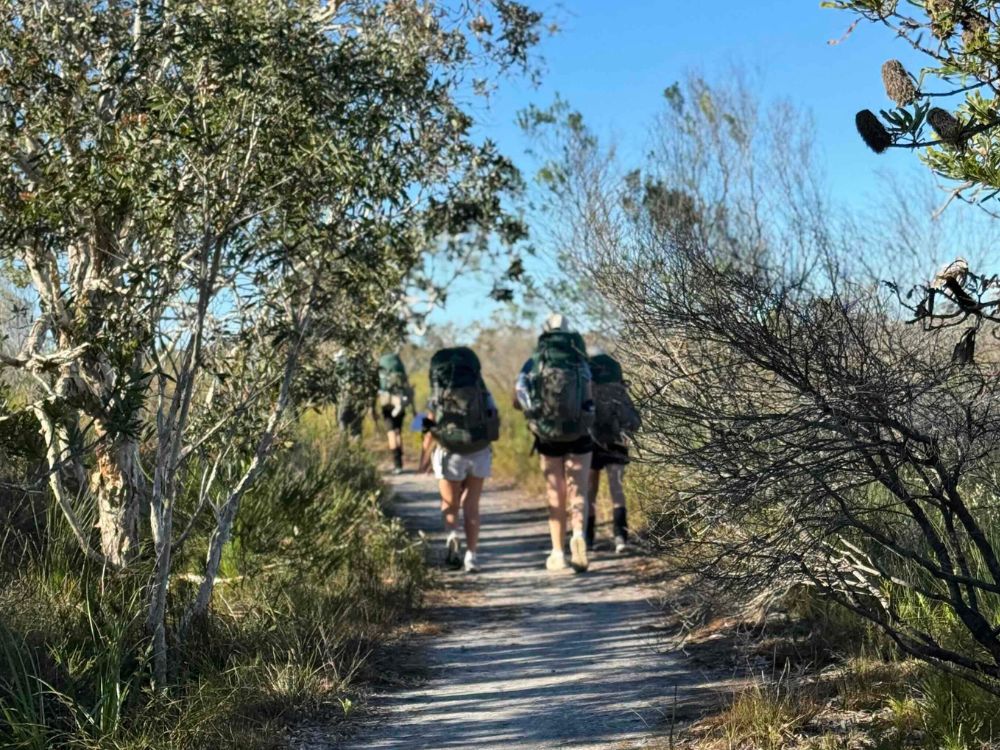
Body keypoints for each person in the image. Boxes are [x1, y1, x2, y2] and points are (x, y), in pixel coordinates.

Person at [514, 313, 595, 573]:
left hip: (548, 433)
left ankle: (558, 553)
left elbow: (519, 393)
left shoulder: (535, 361)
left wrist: (532, 413)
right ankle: (579, 536)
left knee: (555, 493)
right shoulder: (580, 360)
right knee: (578, 491)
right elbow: (590, 396)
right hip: (580, 433)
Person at [418, 347, 500, 573]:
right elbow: (494, 416)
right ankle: (471, 556)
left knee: (449, 502)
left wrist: (423, 457)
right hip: (479, 450)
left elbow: (426, 424)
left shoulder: (438, 393)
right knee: (472, 505)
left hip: (450, 451)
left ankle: (452, 534)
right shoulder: (481, 390)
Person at [586, 351, 642, 554]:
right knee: (616, 489)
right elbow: (634, 422)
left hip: (591, 442)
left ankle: (588, 539)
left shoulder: (588, 389)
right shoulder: (619, 390)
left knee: (589, 492)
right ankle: (620, 538)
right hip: (617, 442)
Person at [377, 352, 413, 474]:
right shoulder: (399, 369)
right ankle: (400, 463)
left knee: (391, 433)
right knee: (398, 432)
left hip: (387, 404)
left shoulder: (382, 369)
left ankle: (397, 464)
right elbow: (408, 387)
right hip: (400, 402)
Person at [334, 350, 376, 439]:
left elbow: (338, 382)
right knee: (356, 426)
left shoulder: (341, 365)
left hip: (346, 398)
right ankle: (356, 444)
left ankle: (344, 444)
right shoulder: (361, 364)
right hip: (359, 398)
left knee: (342, 421)